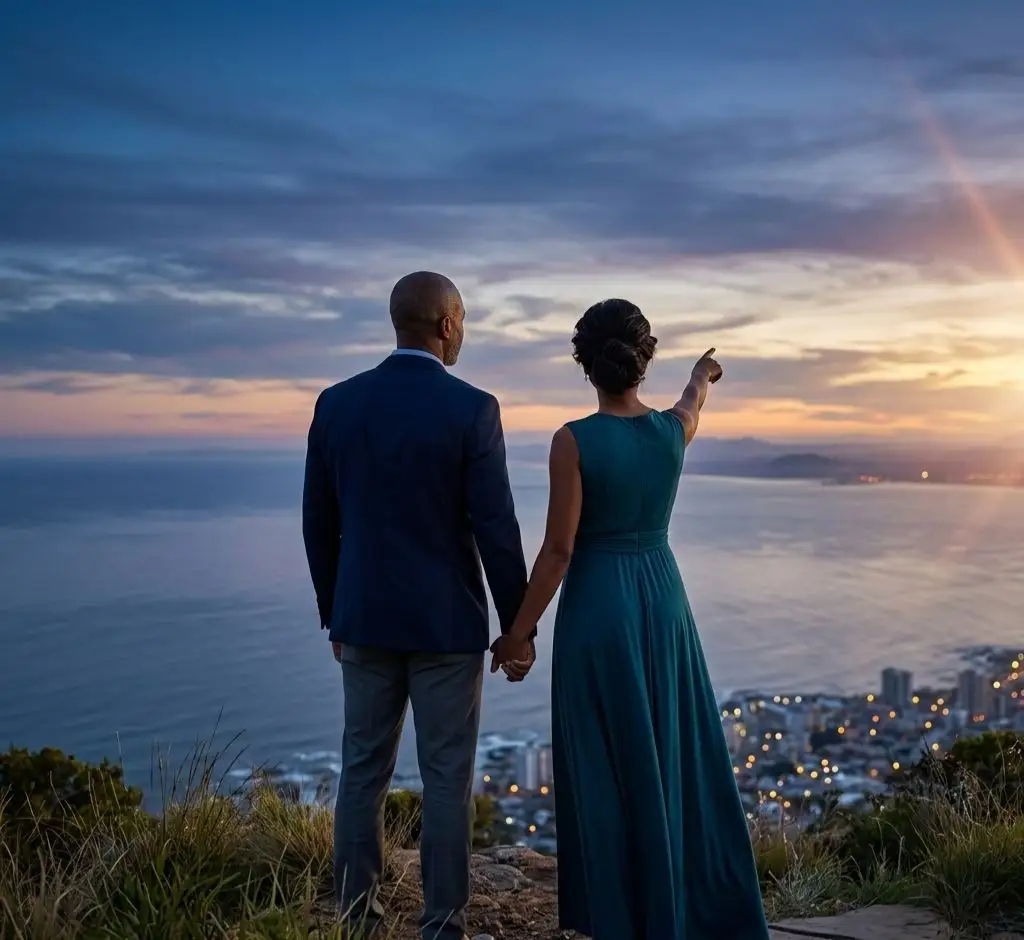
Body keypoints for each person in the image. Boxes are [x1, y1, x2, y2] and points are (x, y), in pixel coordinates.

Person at [491, 299, 771, 940]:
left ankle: (620, 918)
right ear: (641, 362)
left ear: (585, 366)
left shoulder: (574, 440)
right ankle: (687, 908)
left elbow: (559, 549)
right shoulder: (673, 433)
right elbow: (693, 402)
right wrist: (701, 375)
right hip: (663, 598)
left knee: (605, 764)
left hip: (600, 607)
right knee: (674, 752)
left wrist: (518, 633)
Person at [302, 271, 530, 940]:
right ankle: (442, 927)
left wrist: (333, 614)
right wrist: (517, 629)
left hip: (364, 621)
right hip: (446, 627)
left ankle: (357, 922)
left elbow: (319, 520)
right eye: (464, 320)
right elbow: (497, 527)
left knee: (361, 774)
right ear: (447, 325)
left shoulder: (338, 404)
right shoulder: (472, 410)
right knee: (446, 782)